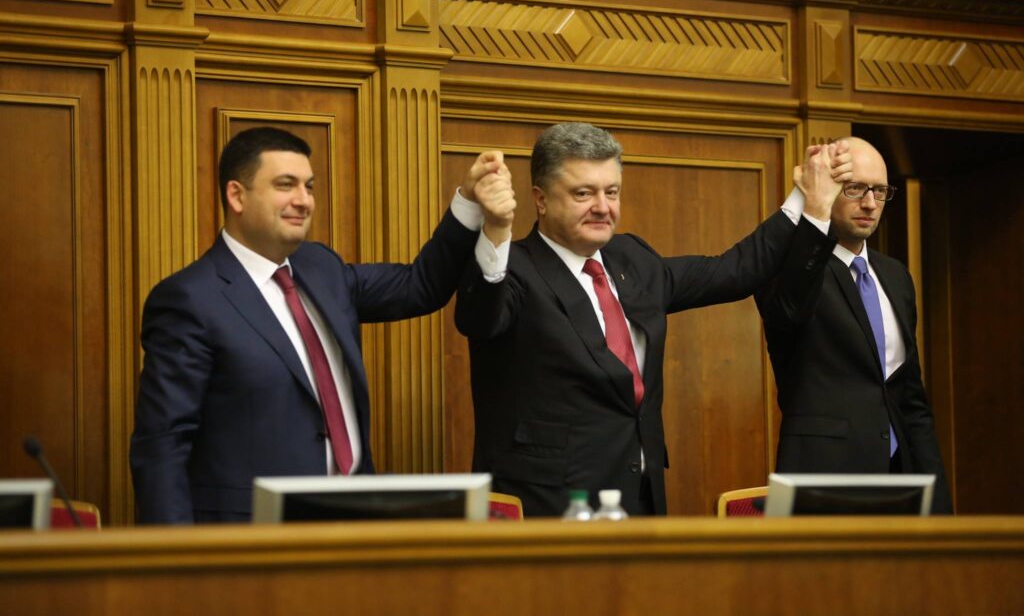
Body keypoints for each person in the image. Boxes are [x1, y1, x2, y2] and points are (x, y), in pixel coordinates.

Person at [455, 122, 849, 517]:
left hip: (638, 500)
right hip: (547, 508)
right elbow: (479, 318)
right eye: (583, 193)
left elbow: (734, 270)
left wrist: (804, 196)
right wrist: (496, 230)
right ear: (540, 199)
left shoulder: (632, 259)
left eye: (612, 192)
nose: (602, 207)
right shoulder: (508, 268)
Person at [130, 126, 515, 524]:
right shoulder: (190, 299)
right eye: (285, 185)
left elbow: (419, 286)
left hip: (352, 523)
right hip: (251, 534)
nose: (303, 200)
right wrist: (176, 555)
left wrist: (470, 200)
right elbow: (162, 445)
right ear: (237, 195)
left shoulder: (321, 268)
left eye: (309, 187)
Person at [756, 137, 953, 513]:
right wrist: (812, 206)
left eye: (879, 191)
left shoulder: (895, 275)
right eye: (855, 188)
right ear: (827, 188)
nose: (870, 203)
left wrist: (940, 506)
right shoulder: (788, 266)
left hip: (899, 478)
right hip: (822, 477)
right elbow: (789, 311)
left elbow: (910, 397)